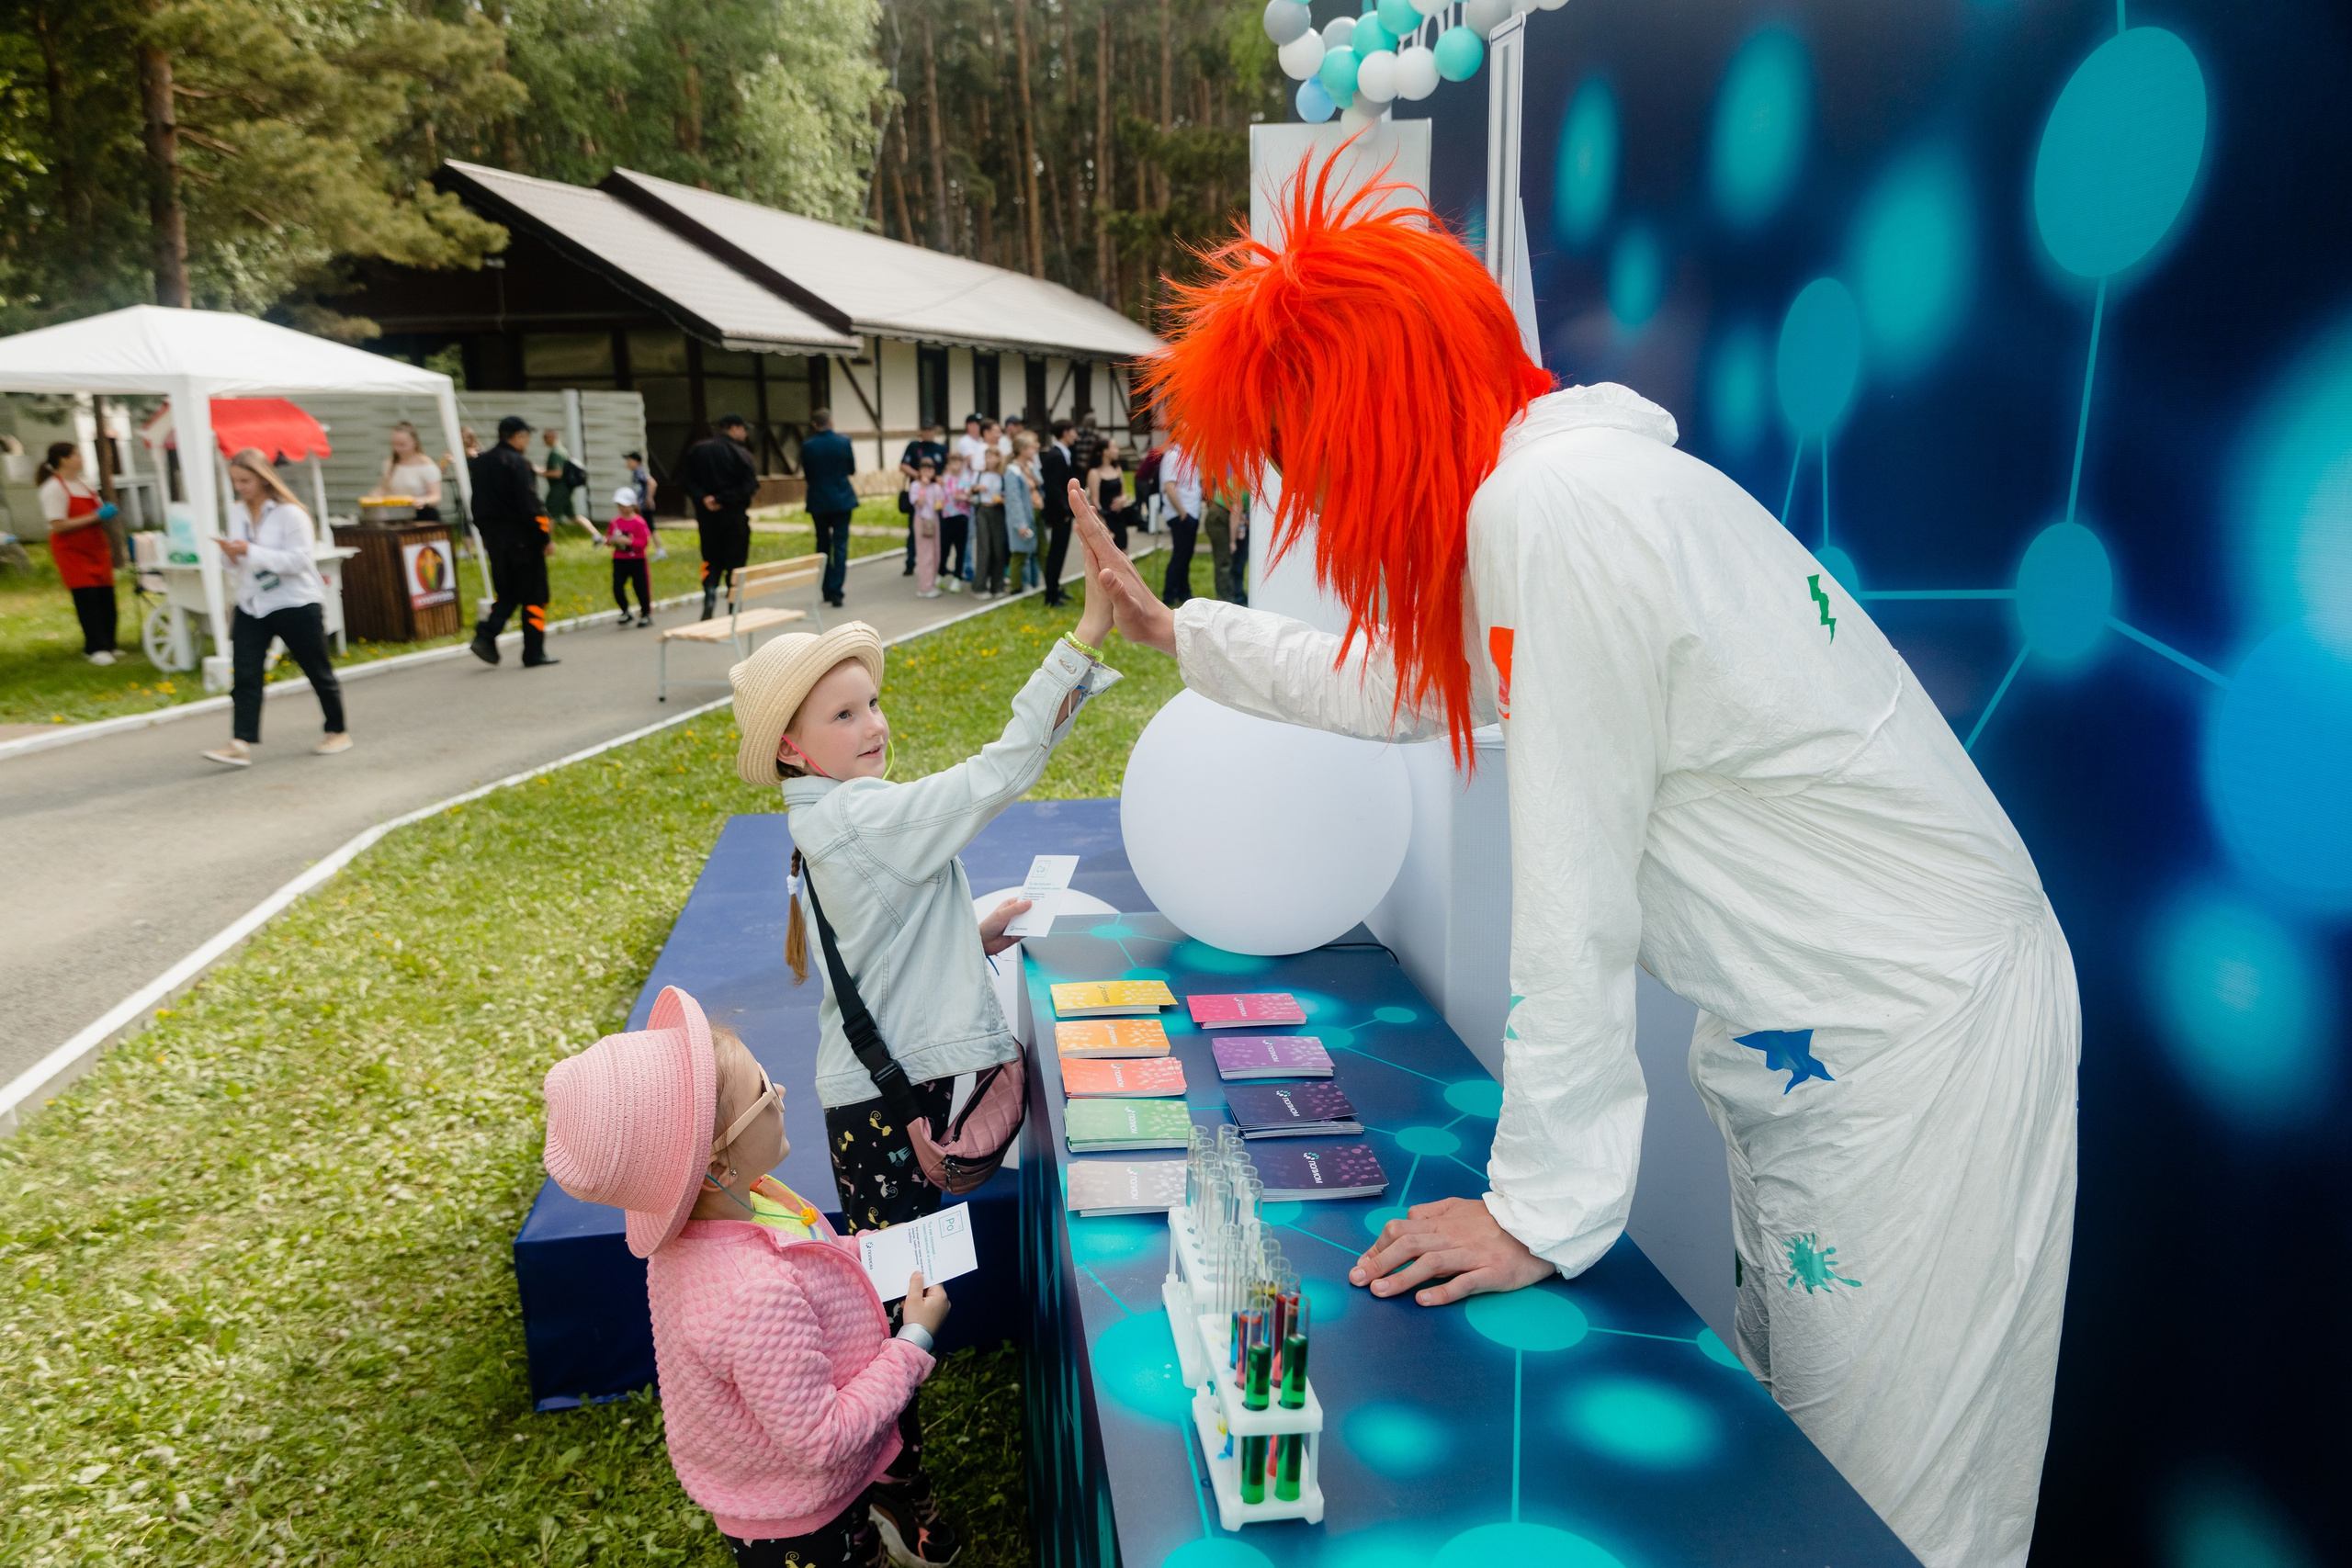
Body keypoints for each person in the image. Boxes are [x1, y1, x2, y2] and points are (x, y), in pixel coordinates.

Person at [1072, 168, 2078, 1568]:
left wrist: (1538, 1208)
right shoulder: (1557, 498)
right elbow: (1420, 688)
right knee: (1817, 1445)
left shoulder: (1563, 513)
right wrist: (1186, 635)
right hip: (1832, 1033)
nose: (1311, 497)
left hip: (1910, 1030)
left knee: (1889, 1501)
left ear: (1375, 410)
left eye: (1308, 449)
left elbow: (1573, 893)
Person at [540, 988, 963, 1568]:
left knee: (852, 1532)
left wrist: (865, 1253)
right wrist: (913, 1340)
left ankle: (864, 1540)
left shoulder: (753, 1197)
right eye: (763, 1092)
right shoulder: (750, 1293)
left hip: (824, 1486)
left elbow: (811, 1249)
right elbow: (825, 1439)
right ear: (716, 1166)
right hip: (794, 1519)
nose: (780, 1093)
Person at [201, 447, 351, 766]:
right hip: (253, 603)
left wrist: (252, 551)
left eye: (245, 480)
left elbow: (299, 560)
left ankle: (337, 730)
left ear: (264, 478)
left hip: (295, 602)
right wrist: (230, 555)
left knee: (316, 669)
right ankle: (240, 741)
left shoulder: (290, 513)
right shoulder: (237, 512)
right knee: (245, 672)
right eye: (235, 481)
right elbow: (236, 565)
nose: (239, 487)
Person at [469, 415, 560, 669]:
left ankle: (486, 636)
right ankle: (534, 652)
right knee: (534, 596)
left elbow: (476, 504)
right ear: (517, 436)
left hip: (495, 541)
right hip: (524, 541)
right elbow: (530, 505)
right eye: (526, 436)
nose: (528, 441)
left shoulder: (481, 463)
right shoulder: (518, 463)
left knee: (507, 592)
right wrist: (544, 537)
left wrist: (487, 534)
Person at [33, 443, 120, 665]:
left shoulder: (84, 484)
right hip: (72, 550)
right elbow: (58, 525)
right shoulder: (53, 488)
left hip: (95, 547)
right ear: (63, 459)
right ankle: (95, 648)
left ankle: (109, 643)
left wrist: (103, 514)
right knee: (87, 598)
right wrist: (96, 516)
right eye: (76, 454)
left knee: (105, 597)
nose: (81, 458)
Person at [681, 414, 760, 620]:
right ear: (734, 428)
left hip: (707, 519)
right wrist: (722, 498)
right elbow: (750, 486)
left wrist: (705, 499)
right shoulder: (741, 454)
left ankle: (709, 595)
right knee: (736, 563)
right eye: (744, 429)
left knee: (710, 560)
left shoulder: (698, 449)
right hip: (734, 517)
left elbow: (687, 481)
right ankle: (734, 605)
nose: (745, 434)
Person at [799, 410, 858, 609]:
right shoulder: (844, 442)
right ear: (831, 422)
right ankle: (837, 591)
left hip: (819, 500)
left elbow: (808, 473)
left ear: (815, 425)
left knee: (822, 544)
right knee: (841, 545)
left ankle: (826, 588)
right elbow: (851, 469)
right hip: (842, 498)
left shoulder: (808, 446)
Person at [367, 421, 445, 521]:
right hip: (396, 515)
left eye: (402, 444)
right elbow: (384, 488)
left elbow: (436, 496)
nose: (398, 448)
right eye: (395, 444)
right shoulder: (389, 464)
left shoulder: (427, 466)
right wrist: (374, 495)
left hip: (422, 515)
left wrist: (423, 500)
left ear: (414, 442)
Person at [1156, 438, 1202, 607]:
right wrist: (1182, 513)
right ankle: (1170, 594)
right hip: (1182, 513)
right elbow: (1169, 486)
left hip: (1191, 512)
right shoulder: (1172, 456)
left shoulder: (1188, 456)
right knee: (1180, 555)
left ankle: (1184, 591)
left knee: (1186, 555)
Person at [898, 423, 947, 576]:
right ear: (921, 432)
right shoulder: (913, 446)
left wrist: (939, 478)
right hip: (919, 492)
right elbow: (903, 465)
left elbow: (946, 468)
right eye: (925, 430)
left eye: (930, 430)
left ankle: (938, 564)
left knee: (938, 529)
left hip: (936, 493)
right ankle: (910, 562)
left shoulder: (940, 448)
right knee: (915, 531)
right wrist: (920, 477)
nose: (928, 433)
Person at [1037, 420, 1077, 607]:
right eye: (1072, 431)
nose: (1075, 435)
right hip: (1060, 513)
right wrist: (1066, 510)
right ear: (1064, 433)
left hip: (1063, 512)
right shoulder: (1055, 455)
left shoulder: (1065, 453)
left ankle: (1055, 587)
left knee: (1060, 552)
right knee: (1056, 552)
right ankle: (1050, 594)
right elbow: (1053, 488)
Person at [605, 485, 653, 626]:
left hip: (636, 559)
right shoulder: (615, 522)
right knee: (617, 587)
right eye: (619, 505)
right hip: (619, 559)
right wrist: (611, 541)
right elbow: (609, 538)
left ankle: (645, 613)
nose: (622, 508)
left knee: (641, 587)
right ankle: (625, 611)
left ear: (632, 505)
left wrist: (629, 541)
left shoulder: (639, 522)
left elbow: (644, 541)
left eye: (625, 505)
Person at [1005, 434, 1042, 592]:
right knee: (1019, 553)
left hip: (1035, 512)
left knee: (1033, 551)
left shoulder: (1030, 467)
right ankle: (1017, 588)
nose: (1033, 451)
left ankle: (1033, 584)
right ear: (1021, 450)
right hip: (1023, 516)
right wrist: (1020, 523)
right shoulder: (1012, 471)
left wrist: (1031, 470)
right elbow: (1014, 499)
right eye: (1029, 448)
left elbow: (1040, 482)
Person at [971, 449, 1009, 598]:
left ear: (999, 458)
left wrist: (1002, 499)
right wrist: (976, 488)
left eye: (993, 456)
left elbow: (1006, 494)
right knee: (984, 548)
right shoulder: (979, 474)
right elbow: (971, 490)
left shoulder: (1002, 475)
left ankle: (997, 585)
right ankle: (979, 586)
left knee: (998, 549)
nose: (990, 460)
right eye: (987, 457)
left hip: (997, 511)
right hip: (983, 511)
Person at [1202, 481, 1246, 604]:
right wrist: (1232, 542)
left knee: (1225, 561)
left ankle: (1229, 597)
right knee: (1224, 563)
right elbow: (1236, 512)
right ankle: (1224, 601)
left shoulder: (1242, 477)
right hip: (1219, 519)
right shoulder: (1246, 483)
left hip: (1221, 515)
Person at [906, 458, 944, 598]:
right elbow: (919, 504)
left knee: (936, 553)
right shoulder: (916, 486)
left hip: (934, 520)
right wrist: (923, 487)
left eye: (930, 470)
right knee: (925, 554)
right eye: (924, 470)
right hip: (922, 520)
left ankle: (931, 583)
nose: (927, 473)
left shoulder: (936, 487)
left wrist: (939, 502)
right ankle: (925, 587)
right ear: (920, 471)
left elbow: (940, 504)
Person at [937, 451, 972, 592]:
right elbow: (939, 494)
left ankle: (958, 577)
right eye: (953, 462)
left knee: (960, 549)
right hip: (947, 516)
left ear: (962, 464)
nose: (955, 465)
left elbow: (971, 497)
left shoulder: (967, 479)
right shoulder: (945, 479)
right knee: (944, 548)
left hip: (962, 516)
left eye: (958, 462)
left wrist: (964, 497)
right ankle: (941, 573)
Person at [1087, 446, 1131, 555]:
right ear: (1105, 451)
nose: (1117, 450)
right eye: (1114, 447)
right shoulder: (1095, 472)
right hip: (1106, 518)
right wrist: (1103, 523)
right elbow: (1094, 501)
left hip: (1119, 516)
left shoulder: (1117, 468)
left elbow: (1124, 492)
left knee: (1124, 551)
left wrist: (1122, 499)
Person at [952, 412, 990, 479]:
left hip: (981, 477)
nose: (981, 427)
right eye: (978, 424)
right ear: (969, 425)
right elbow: (972, 462)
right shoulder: (964, 441)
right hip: (967, 479)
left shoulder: (982, 440)